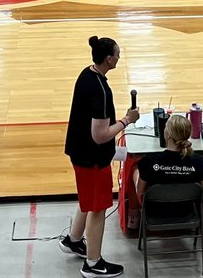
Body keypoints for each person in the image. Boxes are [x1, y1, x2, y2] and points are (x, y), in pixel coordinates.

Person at [61, 36, 139, 278]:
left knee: (88, 200)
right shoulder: (100, 91)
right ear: (109, 59)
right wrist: (126, 121)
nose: (119, 57)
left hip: (78, 151)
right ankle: (93, 264)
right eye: (117, 54)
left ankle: (73, 240)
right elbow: (100, 135)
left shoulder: (87, 74)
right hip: (92, 158)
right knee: (98, 208)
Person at [135, 115, 203, 221]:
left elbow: (140, 192)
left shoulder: (149, 161)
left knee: (135, 170)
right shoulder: (199, 162)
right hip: (187, 211)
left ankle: (134, 215)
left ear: (167, 134)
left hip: (155, 213)